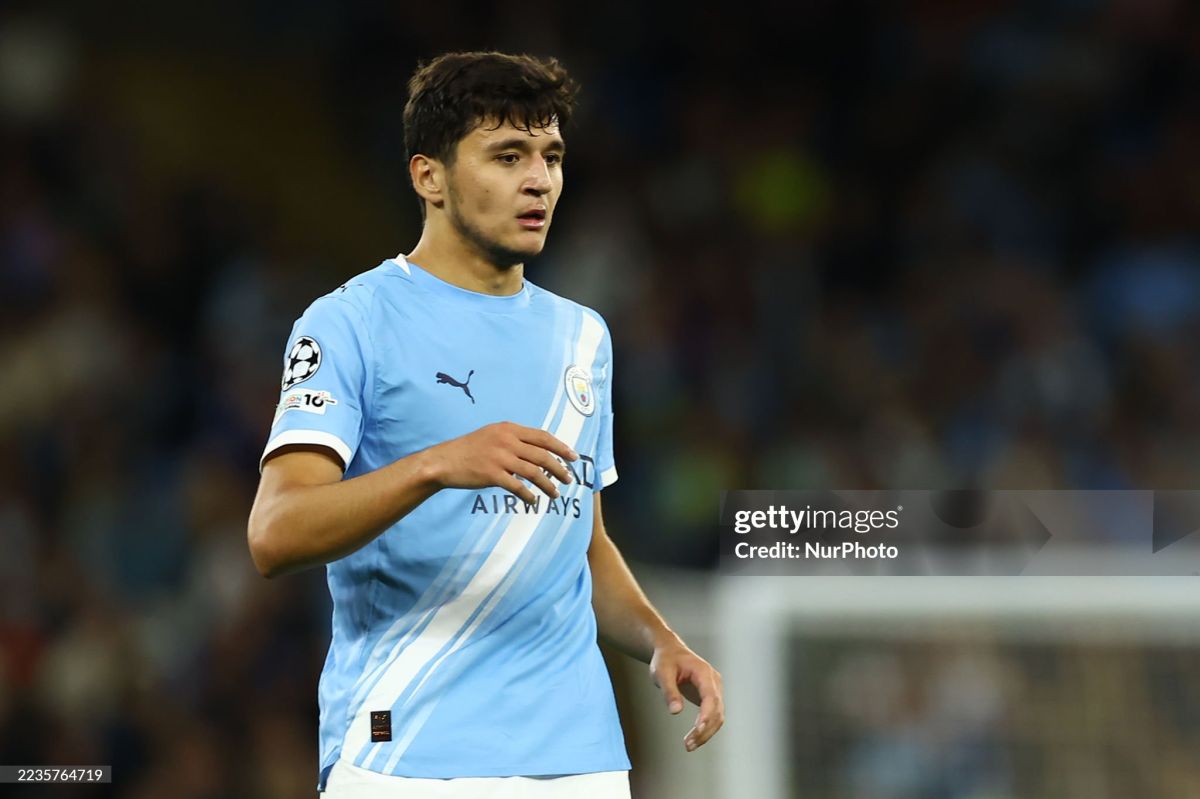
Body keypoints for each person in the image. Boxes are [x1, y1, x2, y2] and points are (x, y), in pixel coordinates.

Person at [247, 51, 723, 798]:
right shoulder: (350, 323)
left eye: (551, 156)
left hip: (579, 757)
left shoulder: (584, 337)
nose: (540, 180)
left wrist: (661, 640)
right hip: (406, 750)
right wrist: (436, 464)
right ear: (428, 177)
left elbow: (582, 541)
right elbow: (275, 534)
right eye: (507, 156)